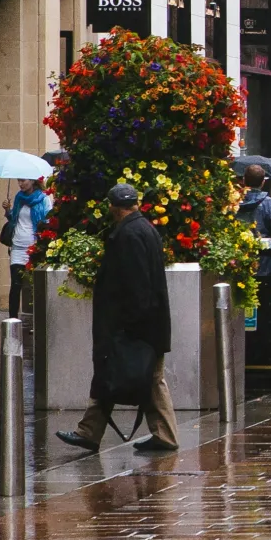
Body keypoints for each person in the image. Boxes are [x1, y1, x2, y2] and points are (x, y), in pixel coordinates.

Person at [56, 184, 180, 454]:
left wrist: (127, 326)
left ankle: (95, 432)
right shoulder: (145, 229)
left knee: (122, 374)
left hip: (134, 327)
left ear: (112, 206)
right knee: (131, 376)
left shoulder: (129, 235)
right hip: (147, 324)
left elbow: (137, 285)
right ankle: (91, 431)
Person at [236, 165, 271, 371]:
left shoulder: (235, 202)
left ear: (243, 180)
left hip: (240, 266)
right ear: (263, 181)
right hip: (266, 268)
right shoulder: (270, 204)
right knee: (265, 311)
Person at [0, 176, 51, 327]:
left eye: (23, 180)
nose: (20, 184)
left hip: (34, 247)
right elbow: (14, 219)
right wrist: (8, 210)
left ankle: (39, 323)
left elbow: (48, 220)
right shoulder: (19, 198)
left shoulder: (43, 199)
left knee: (37, 286)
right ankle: (13, 321)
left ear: (33, 181)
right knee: (16, 285)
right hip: (17, 246)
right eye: (19, 181)